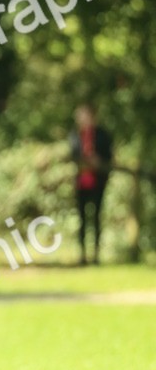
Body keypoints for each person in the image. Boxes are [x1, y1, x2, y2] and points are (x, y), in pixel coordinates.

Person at [69, 104, 113, 265]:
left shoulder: (103, 135)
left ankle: (96, 256)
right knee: (82, 220)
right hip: (81, 183)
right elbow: (73, 155)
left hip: (98, 182)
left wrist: (99, 162)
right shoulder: (75, 135)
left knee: (96, 219)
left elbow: (109, 158)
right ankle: (82, 256)